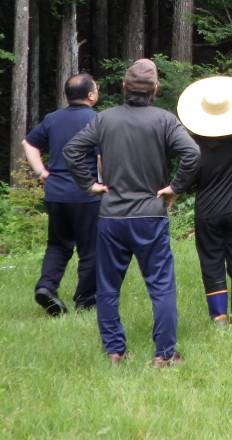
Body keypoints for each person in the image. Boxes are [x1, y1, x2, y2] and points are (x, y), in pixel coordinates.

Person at [63, 58, 200, 367]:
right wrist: (174, 188)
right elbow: (192, 153)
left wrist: (91, 185)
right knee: (161, 286)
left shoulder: (105, 119)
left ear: (124, 86)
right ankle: (164, 355)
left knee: (108, 288)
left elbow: (72, 151)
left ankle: (115, 352)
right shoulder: (164, 120)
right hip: (151, 215)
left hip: (111, 216)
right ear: (155, 89)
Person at [177, 67, 232, 327]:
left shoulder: (193, 145)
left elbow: (188, 178)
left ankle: (219, 319)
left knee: (211, 262)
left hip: (207, 211)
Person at [22, 73, 101, 316]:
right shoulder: (97, 120)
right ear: (90, 95)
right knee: (90, 250)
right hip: (86, 194)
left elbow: (28, 143)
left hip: (55, 193)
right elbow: (102, 158)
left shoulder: (52, 118)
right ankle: (86, 301)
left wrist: (41, 172)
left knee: (58, 245)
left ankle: (46, 287)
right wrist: (105, 185)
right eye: (96, 88)